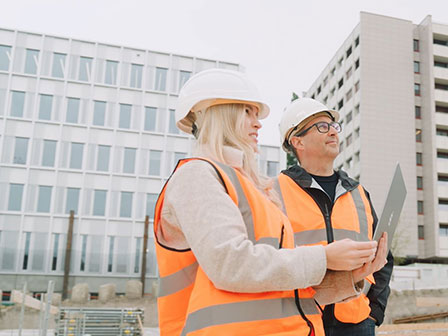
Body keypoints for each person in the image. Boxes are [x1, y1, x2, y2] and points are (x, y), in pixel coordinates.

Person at [152, 69, 387, 336]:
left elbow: (280, 291)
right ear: (218, 113)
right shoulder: (197, 176)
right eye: (247, 112)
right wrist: (324, 257)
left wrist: (350, 278)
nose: (258, 124)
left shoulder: (248, 187)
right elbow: (232, 265)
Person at [275, 98, 394, 336]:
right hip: (301, 319)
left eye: (333, 126)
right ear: (297, 141)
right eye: (322, 126)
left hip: (357, 321)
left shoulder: (358, 193)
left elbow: (384, 256)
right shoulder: (275, 191)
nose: (332, 132)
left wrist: (375, 311)